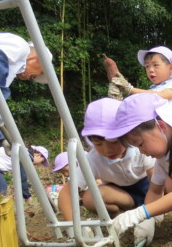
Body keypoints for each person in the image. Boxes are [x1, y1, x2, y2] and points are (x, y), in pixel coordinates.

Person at [105, 93, 172, 244]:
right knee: (170, 182)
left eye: (140, 144)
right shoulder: (165, 152)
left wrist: (140, 213)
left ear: (161, 126)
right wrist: (147, 220)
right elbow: (155, 190)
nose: (141, 151)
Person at [58, 98, 156, 233]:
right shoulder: (93, 160)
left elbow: (156, 182)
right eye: (98, 144)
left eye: (114, 142)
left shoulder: (140, 148)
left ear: (126, 134)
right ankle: (119, 217)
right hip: (124, 196)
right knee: (89, 197)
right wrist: (75, 227)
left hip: (151, 189)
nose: (107, 150)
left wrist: (151, 214)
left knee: (169, 180)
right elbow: (66, 194)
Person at [0, 32, 51, 149]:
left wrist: (0, 140)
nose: (29, 78)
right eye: (34, 76)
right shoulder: (19, 46)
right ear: (37, 59)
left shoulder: (8, 73)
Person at [110, 46, 172, 112]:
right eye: (147, 66)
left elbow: (159, 96)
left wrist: (129, 89)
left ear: (171, 68)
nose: (150, 70)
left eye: (156, 65)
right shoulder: (152, 88)